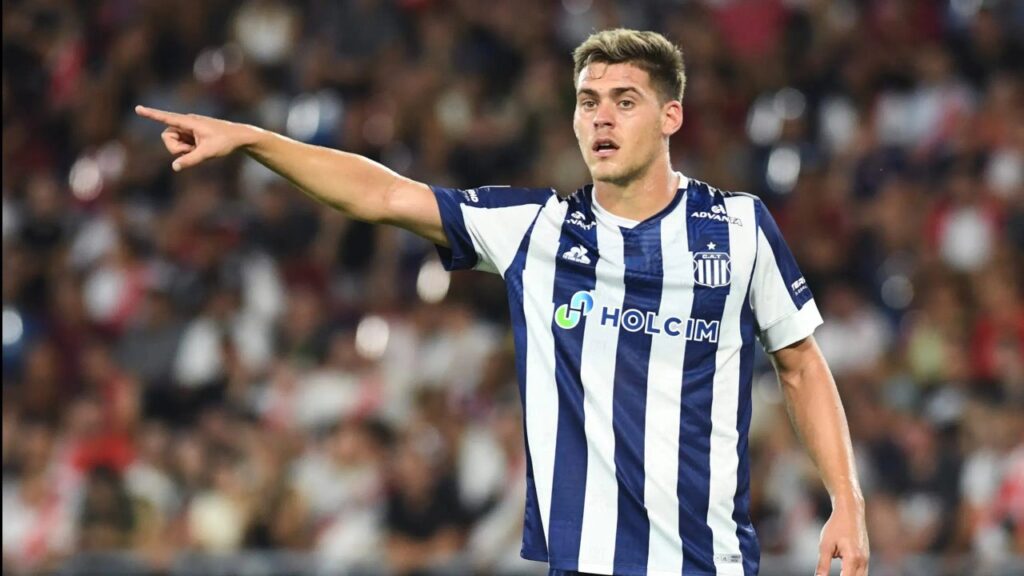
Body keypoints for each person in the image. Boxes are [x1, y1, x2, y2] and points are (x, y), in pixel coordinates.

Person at [137, 28, 869, 576]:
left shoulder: (737, 228)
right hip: (581, 562)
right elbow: (383, 195)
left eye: (625, 102)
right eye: (588, 102)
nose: (602, 119)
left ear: (670, 117)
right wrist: (255, 141)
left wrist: (846, 500)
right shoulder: (535, 230)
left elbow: (800, 363)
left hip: (710, 563)